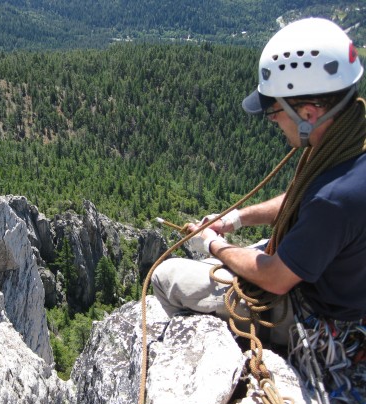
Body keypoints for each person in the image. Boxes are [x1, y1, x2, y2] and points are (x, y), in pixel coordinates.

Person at [151, 17, 366, 347]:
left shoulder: (335, 198)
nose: (274, 121)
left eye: (274, 111)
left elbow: (275, 278)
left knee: (166, 276)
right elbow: (302, 198)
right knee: (219, 262)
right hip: (339, 289)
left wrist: (212, 243)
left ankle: (196, 353)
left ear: (309, 114)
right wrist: (234, 220)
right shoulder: (351, 141)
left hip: (313, 317)